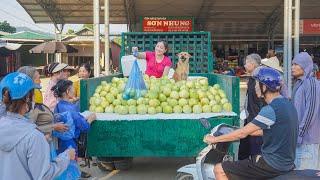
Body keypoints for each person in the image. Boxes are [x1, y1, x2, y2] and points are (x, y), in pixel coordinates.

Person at [204, 67, 298, 180]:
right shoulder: (287, 104)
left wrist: (214, 139)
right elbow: (275, 130)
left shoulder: (270, 109)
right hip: (286, 162)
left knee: (219, 169)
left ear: (265, 87)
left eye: (257, 83)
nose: (255, 86)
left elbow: (242, 133)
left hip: (272, 164)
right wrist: (247, 132)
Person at [0, 72, 75, 180]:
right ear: (27, 98)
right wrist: (66, 156)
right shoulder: (33, 137)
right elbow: (44, 175)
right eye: (33, 93)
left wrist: (40, 142)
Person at [52, 79, 96, 178]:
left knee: (62, 169)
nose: (74, 91)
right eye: (72, 89)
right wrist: (91, 119)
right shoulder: (70, 109)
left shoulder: (58, 106)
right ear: (67, 91)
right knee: (71, 169)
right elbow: (84, 127)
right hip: (70, 145)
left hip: (59, 143)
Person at [17, 66, 68, 135]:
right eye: (38, 79)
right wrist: (53, 127)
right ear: (30, 81)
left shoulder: (31, 97)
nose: (40, 81)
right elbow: (28, 129)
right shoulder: (28, 101)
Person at [292, 52, 320, 170]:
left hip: (307, 141)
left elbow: (310, 112)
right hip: (298, 140)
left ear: (305, 66)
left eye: (296, 64)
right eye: (292, 64)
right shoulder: (299, 83)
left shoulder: (312, 83)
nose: (292, 67)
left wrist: (299, 134)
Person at [238, 53, 265, 160]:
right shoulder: (252, 78)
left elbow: (260, 102)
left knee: (255, 151)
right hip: (249, 119)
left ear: (253, 64)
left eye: (246, 63)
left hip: (256, 121)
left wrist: (256, 122)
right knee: (244, 149)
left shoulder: (259, 79)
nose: (244, 66)